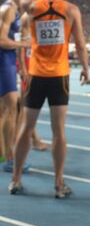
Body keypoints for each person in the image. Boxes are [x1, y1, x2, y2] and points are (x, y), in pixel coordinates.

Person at [8, 0, 89, 198]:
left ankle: (15, 180)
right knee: (59, 132)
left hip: (36, 76)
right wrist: (85, 68)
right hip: (59, 77)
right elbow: (80, 44)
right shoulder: (71, 9)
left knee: (25, 129)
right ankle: (58, 183)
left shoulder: (32, 7)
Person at [0, 0, 31, 173]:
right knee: (11, 107)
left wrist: (21, 64)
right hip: (3, 60)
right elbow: (1, 40)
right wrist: (23, 44)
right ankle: (9, 157)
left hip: (9, 61)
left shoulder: (16, 11)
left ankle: (5, 154)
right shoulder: (8, 10)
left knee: (7, 110)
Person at [16, 11, 48, 151]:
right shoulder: (26, 19)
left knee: (21, 106)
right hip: (25, 66)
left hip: (31, 65)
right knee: (25, 106)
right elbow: (21, 48)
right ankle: (33, 139)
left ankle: (32, 138)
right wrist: (23, 69)